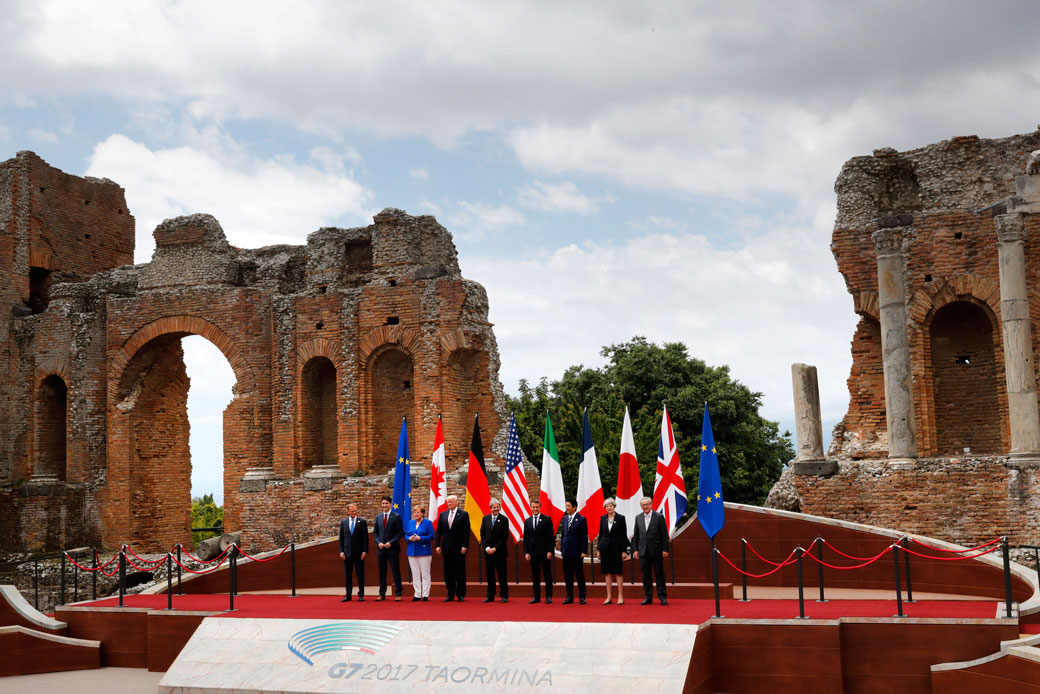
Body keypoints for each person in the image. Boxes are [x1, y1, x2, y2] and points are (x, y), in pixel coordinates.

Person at [631, 496, 669, 605]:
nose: (645, 506)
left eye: (647, 504)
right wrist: (635, 550)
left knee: (659, 574)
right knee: (645, 575)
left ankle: (662, 596)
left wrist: (665, 549)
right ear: (641, 506)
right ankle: (648, 597)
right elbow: (636, 535)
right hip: (643, 551)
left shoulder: (659, 517)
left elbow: (664, 535)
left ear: (651, 505)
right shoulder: (638, 517)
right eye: (643, 505)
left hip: (657, 550)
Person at [434, 494, 470, 601]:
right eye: (448, 502)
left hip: (459, 548)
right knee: (448, 572)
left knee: (460, 572)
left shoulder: (463, 514)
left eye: (451, 501)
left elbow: (466, 532)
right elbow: (439, 532)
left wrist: (465, 545)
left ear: (456, 502)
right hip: (446, 548)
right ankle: (450, 593)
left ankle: (461, 594)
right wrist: (437, 545)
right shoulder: (443, 515)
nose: (449, 503)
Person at [596, 497, 629, 605]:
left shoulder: (621, 518)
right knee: (607, 573)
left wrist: (624, 551)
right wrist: (598, 550)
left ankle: (620, 596)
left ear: (614, 506)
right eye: (607, 506)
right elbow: (601, 534)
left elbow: (623, 535)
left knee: (618, 573)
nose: (609, 507)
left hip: (617, 549)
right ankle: (609, 597)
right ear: (605, 508)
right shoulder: (602, 518)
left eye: (610, 505)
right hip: (605, 549)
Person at [523, 500, 554, 604]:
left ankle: (548, 596)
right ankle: (536, 596)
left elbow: (550, 537)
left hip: (545, 552)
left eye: (537, 507)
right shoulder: (527, 521)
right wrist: (526, 552)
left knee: (547, 574)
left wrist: (550, 551)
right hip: (532, 553)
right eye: (533, 507)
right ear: (530, 508)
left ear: (540, 508)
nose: (535, 509)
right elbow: (526, 538)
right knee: (535, 575)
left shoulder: (547, 519)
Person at [374, 496, 404, 601]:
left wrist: (391, 542)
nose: (384, 505)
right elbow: (375, 533)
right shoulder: (378, 517)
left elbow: (400, 532)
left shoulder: (396, 516)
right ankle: (382, 594)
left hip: (392, 549)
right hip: (381, 550)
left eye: (386, 503)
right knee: (382, 572)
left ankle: (398, 593)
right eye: (383, 503)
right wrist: (378, 543)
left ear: (390, 504)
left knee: (395, 571)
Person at [558, 498, 588, 604]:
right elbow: (563, 535)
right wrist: (562, 549)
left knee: (579, 575)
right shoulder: (565, 518)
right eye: (566, 506)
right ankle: (569, 596)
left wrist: (584, 551)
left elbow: (584, 536)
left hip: (577, 552)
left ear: (574, 507)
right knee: (568, 575)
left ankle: (582, 597)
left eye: (568, 506)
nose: (566, 508)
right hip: (566, 552)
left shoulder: (581, 519)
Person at [480, 498, 510, 603]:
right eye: (494, 507)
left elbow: (504, 536)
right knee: (490, 575)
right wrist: (487, 547)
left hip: (500, 552)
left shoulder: (504, 519)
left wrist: (495, 548)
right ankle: (490, 595)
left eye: (498, 507)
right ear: (490, 508)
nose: (496, 509)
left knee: (502, 575)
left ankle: (504, 595)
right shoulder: (485, 519)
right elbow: (482, 534)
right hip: (488, 553)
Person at [338, 503, 368, 602]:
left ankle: (361, 594)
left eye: (355, 511)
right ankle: (348, 594)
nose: (354, 512)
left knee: (360, 574)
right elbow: (341, 539)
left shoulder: (362, 522)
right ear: (348, 512)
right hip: (347, 553)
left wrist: (364, 551)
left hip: (359, 553)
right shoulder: (344, 522)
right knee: (348, 575)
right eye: (352, 511)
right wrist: (341, 551)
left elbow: (365, 538)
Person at [405, 505, 435, 601]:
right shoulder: (410, 522)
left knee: (425, 574)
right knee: (415, 573)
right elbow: (406, 534)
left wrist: (420, 538)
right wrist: (409, 538)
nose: (416, 514)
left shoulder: (428, 523)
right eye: (414, 512)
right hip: (412, 551)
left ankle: (425, 594)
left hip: (424, 551)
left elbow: (431, 536)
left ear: (422, 513)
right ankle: (417, 594)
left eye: (418, 512)